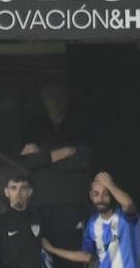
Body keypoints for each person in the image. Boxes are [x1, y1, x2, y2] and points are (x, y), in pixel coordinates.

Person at [19, 81, 92, 256]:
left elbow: (82, 159)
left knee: (73, 259)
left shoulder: (80, 125)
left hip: (73, 206)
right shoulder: (33, 126)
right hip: (42, 206)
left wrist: (43, 157)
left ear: (67, 97)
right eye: (51, 96)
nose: (55, 100)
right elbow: (28, 162)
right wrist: (66, 151)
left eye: (59, 95)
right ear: (43, 99)